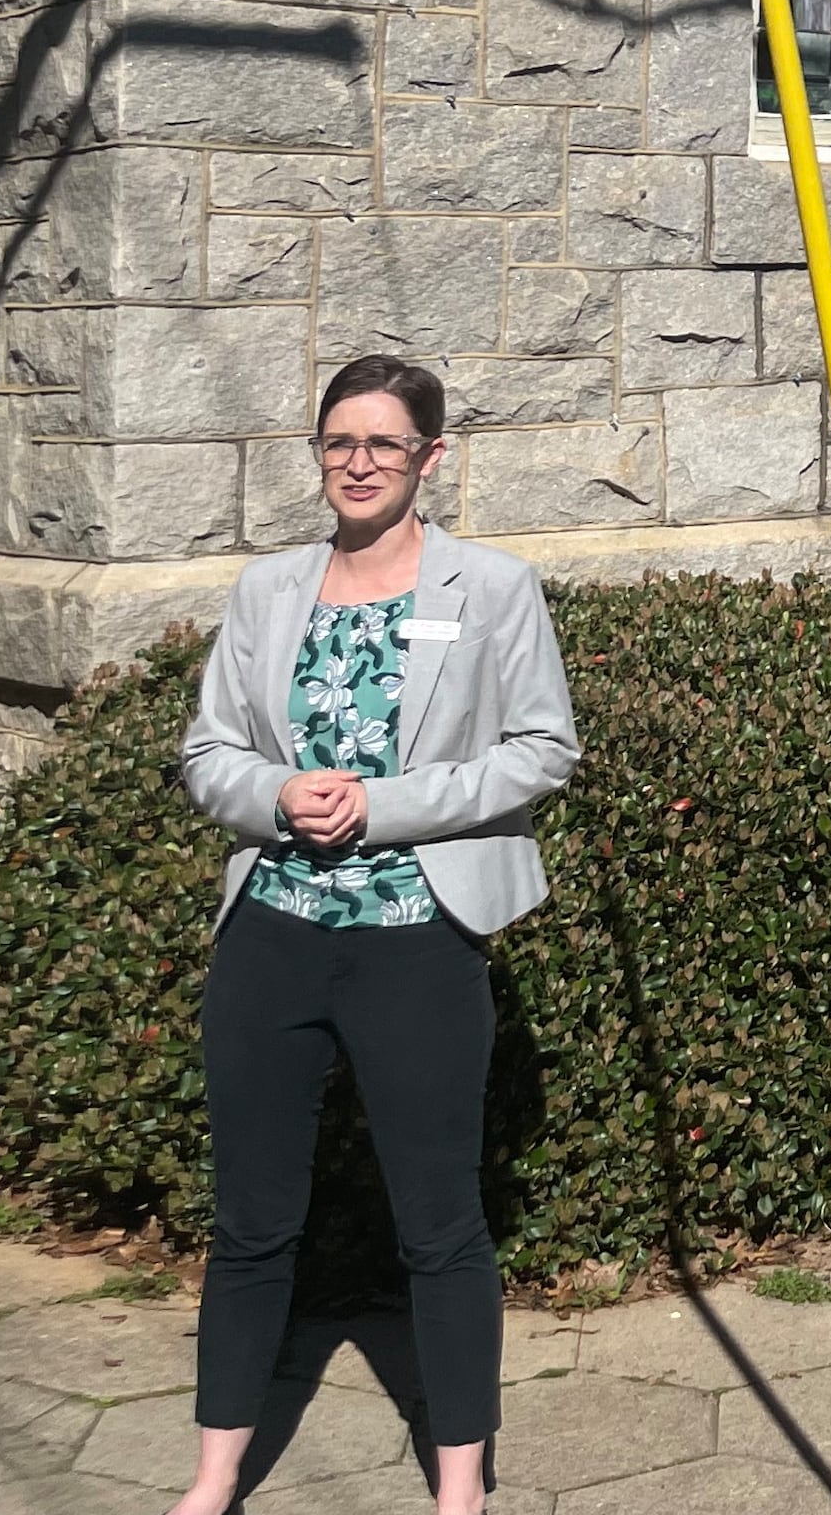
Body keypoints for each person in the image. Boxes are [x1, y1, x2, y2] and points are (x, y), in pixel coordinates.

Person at [169, 356, 579, 1515]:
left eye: (384, 446)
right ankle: (212, 1479)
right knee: (251, 1222)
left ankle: (462, 1490)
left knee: (441, 1227)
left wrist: (381, 805)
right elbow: (208, 754)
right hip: (273, 940)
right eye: (339, 443)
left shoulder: (492, 587)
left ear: (429, 461)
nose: (358, 464)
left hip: (419, 940)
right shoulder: (267, 590)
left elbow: (544, 749)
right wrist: (274, 797)